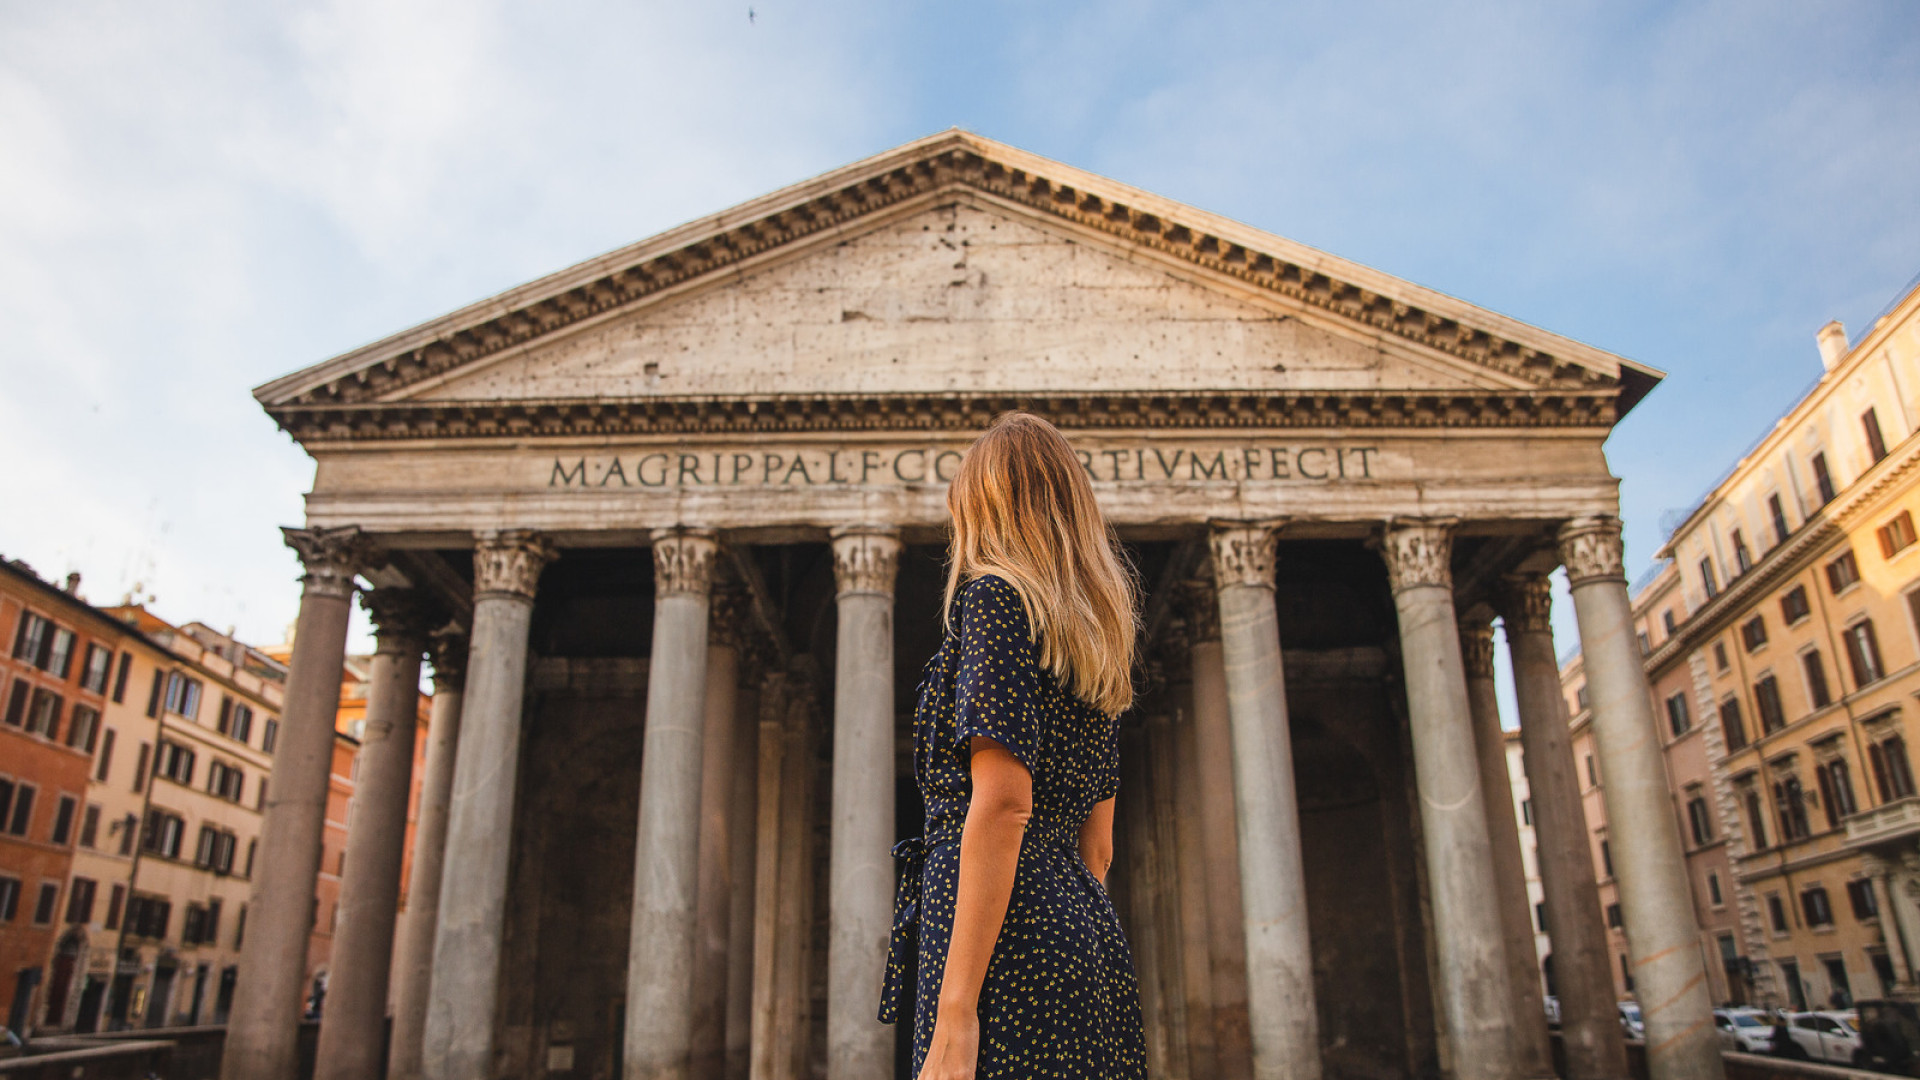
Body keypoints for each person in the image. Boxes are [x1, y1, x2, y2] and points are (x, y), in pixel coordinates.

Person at [880, 412, 1147, 1080]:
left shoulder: (994, 597)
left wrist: (956, 1010)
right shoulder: (1095, 639)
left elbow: (1002, 804)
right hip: (1083, 930)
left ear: (984, 507)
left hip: (999, 938)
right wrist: (1062, 933)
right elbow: (1099, 847)